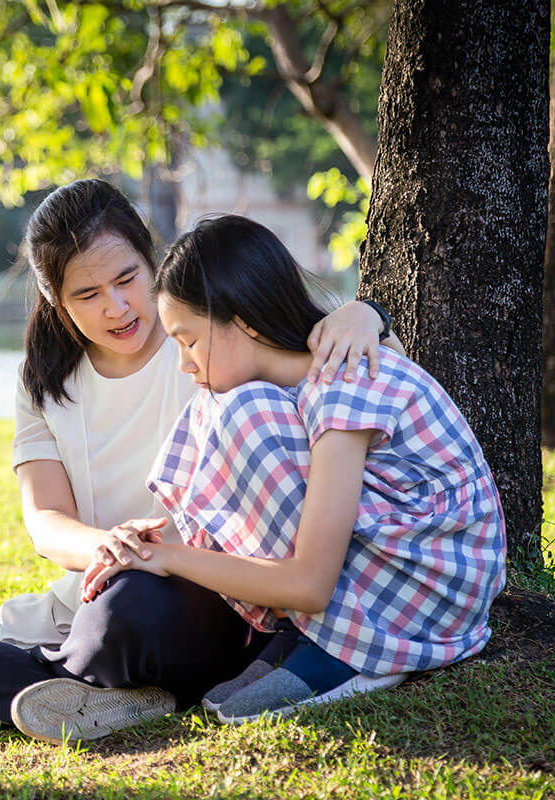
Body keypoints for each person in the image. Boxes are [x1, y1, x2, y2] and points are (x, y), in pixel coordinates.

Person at [0, 181, 396, 743]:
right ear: (56, 302)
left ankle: (0, 694)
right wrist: (112, 547)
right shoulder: (45, 382)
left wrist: (366, 314)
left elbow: (338, 350)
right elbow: (45, 519)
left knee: (125, 614)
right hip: (93, 595)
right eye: (87, 294)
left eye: (127, 279)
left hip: (209, 594)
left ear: (152, 262)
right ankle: (98, 695)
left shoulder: (205, 332)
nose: (117, 308)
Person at [80, 214, 507, 725]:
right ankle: (311, 633)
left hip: (431, 595)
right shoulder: (306, 379)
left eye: (188, 340)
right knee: (219, 405)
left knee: (240, 411)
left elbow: (310, 585)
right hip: (390, 560)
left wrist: (169, 558)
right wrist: (153, 538)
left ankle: (357, 653)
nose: (183, 363)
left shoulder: (340, 385)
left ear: (243, 321)